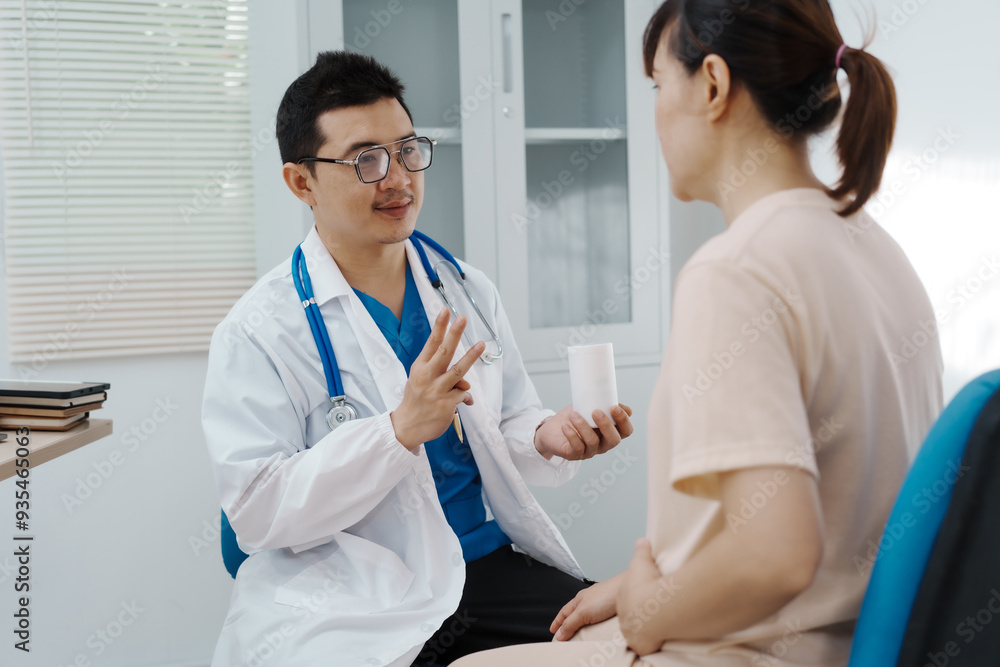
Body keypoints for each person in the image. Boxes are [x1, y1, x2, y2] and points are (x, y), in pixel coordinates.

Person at [453, 1, 943, 666]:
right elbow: (832, 497)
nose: (655, 112)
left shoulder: (737, 271)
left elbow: (776, 555)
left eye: (659, 85)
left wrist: (650, 609)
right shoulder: (874, 246)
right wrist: (632, 589)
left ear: (712, 85)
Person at [201, 51, 634, 667]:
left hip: (478, 566)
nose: (399, 178)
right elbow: (257, 512)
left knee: (636, 645)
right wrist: (398, 431)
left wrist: (548, 436)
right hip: (349, 593)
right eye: (366, 160)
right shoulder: (258, 331)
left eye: (407, 150)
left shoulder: (464, 289)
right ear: (302, 182)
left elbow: (504, 421)